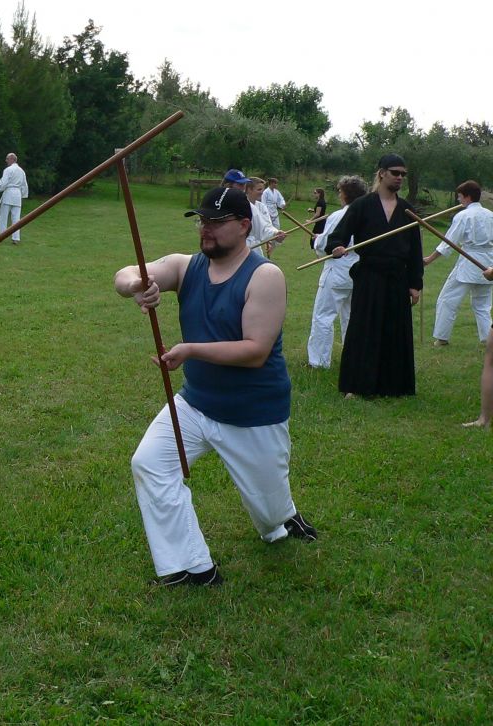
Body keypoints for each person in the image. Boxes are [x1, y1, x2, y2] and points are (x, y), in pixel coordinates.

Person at [114, 187, 316, 587]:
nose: (206, 229)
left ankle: (284, 516)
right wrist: (139, 284)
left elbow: (255, 351)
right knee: (149, 463)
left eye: (217, 222)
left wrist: (190, 349)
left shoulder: (265, 276)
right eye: (202, 221)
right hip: (196, 403)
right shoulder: (184, 266)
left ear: (244, 226)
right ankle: (191, 567)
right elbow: (123, 275)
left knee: (271, 514)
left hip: (253, 413)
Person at [325, 154, 423, 397]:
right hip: (369, 275)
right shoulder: (362, 205)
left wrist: (415, 283)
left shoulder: (407, 210)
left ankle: (393, 386)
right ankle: (357, 386)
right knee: (364, 329)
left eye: (403, 174)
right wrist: (336, 247)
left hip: (397, 277)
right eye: (395, 173)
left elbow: (415, 250)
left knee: (394, 330)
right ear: (381, 173)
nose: (400, 178)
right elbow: (338, 236)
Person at [422, 180, 493, 346]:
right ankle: (488, 340)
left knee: (447, 299)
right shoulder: (491, 215)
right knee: (482, 306)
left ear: (468, 197)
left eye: (460, 197)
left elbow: (448, 242)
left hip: (470, 264)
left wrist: (429, 259)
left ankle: (442, 338)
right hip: (489, 265)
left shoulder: (463, 216)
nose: (459, 200)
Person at [307, 176, 366, 369]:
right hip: (359, 272)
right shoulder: (369, 216)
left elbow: (325, 246)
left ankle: (318, 362)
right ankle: (354, 359)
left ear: (346, 194)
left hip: (337, 271)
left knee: (323, 316)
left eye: (340, 192)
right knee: (352, 317)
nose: (339, 195)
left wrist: (316, 239)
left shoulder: (339, 216)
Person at [0, 153, 28, 244]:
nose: (6, 161)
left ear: (12, 159)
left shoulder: (8, 170)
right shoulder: (21, 171)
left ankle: (1, 237)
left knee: (3, 217)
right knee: (16, 218)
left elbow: (3, 183)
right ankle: (15, 238)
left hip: (9, 193)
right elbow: (24, 185)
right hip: (17, 195)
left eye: (7, 159)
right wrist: (23, 195)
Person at [245, 176, 286, 256]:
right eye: (259, 189)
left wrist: (276, 234)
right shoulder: (240, 205)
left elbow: (266, 226)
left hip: (256, 246)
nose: (262, 192)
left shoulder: (262, 207)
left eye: (262, 190)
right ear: (249, 189)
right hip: (242, 246)